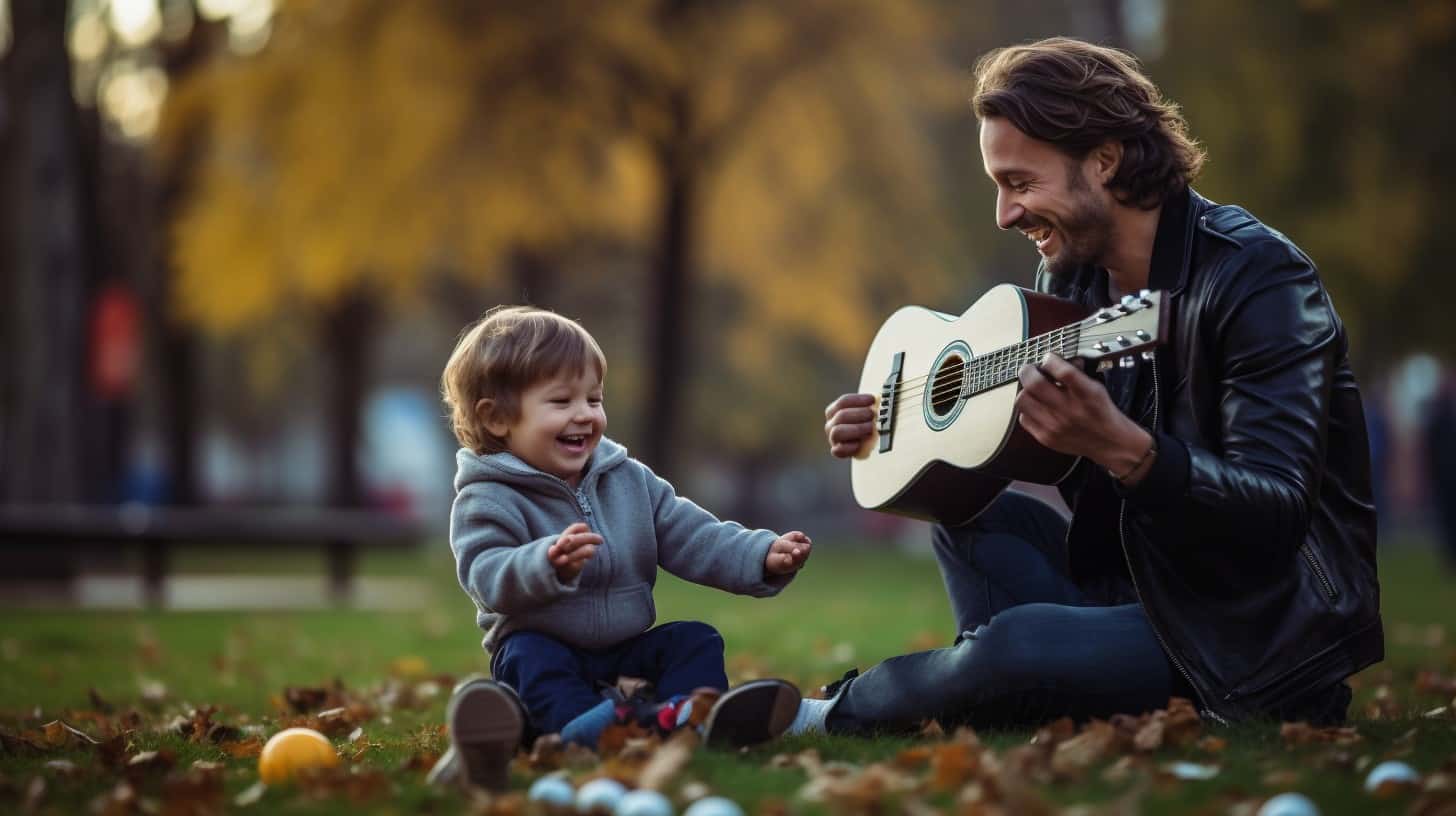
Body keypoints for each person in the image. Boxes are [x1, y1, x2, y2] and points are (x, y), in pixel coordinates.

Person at [795, 37, 1382, 736]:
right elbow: (1032, 454)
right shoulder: (1070, 282)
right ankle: (1012, 688)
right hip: (1129, 587)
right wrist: (890, 423)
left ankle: (832, 713)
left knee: (1020, 646)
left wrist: (1131, 453)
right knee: (965, 511)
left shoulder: (1261, 280)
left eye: (1019, 182)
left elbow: (1278, 516)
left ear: (1104, 160)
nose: (1004, 215)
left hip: (1250, 629)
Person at [432, 306, 811, 790]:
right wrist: (543, 563)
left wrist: (759, 554)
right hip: (545, 646)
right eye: (562, 400)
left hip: (625, 648)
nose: (585, 414)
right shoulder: (486, 497)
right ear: (499, 417)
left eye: (594, 398)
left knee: (695, 639)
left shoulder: (627, 479)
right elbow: (485, 573)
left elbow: (692, 533)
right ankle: (582, 729)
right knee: (529, 659)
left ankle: (689, 716)